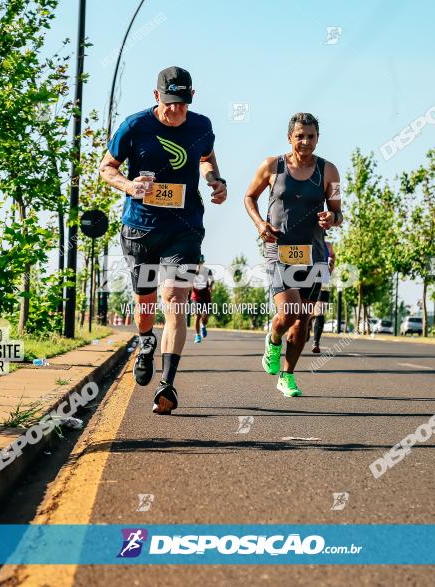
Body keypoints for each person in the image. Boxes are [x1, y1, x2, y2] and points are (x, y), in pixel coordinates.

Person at [100, 66, 227, 414]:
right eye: (170, 103)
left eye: (183, 104)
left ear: (192, 98)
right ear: (157, 97)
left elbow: (205, 158)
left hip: (184, 229)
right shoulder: (135, 126)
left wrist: (215, 180)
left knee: (173, 297)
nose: (176, 111)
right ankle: (145, 342)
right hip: (140, 229)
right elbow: (106, 167)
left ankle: (167, 385)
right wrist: (128, 186)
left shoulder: (201, 126)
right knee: (145, 305)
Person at [244, 112, 342, 397]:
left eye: (311, 136)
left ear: (318, 138)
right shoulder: (272, 166)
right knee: (289, 312)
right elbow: (249, 197)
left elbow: (338, 211)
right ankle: (273, 338)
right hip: (279, 250)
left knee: (303, 321)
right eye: (300, 136)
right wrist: (261, 224)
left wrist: (331, 219)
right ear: (290, 137)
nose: (305, 141)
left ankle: (287, 376)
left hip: (313, 253)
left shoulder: (330, 171)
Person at [310, 241, 335, 354]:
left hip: (323, 282)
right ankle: (306, 326)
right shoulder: (305, 240)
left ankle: (316, 342)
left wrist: (331, 265)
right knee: (306, 311)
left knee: (320, 312)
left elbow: (332, 255)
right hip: (306, 281)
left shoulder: (328, 245)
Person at [191, 255, 214, 343]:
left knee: (205, 317)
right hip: (196, 296)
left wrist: (211, 287)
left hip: (206, 296)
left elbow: (212, 280)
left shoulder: (208, 270)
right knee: (197, 316)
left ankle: (203, 326)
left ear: (203, 262)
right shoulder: (192, 271)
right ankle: (197, 335)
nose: (199, 263)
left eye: (200, 262)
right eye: (198, 262)